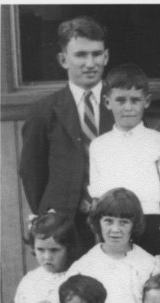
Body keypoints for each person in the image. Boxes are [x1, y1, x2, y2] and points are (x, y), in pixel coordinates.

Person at [19, 16, 113, 250]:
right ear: (63, 59)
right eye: (80, 55)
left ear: (106, 56)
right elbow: (32, 172)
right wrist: (50, 214)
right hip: (66, 223)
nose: (90, 63)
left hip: (114, 220)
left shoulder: (121, 105)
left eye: (96, 54)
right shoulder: (44, 111)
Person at [87, 63, 160, 254]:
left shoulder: (158, 140)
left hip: (150, 220)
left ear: (147, 101)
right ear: (107, 102)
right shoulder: (99, 145)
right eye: (120, 100)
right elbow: (96, 197)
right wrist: (97, 237)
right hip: (113, 224)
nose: (128, 107)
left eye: (135, 100)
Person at [66, 187, 160, 303]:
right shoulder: (84, 267)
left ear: (134, 225)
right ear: (98, 222)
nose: (115, 229)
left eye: (124, 222)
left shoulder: (149, 265)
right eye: (108, 221)